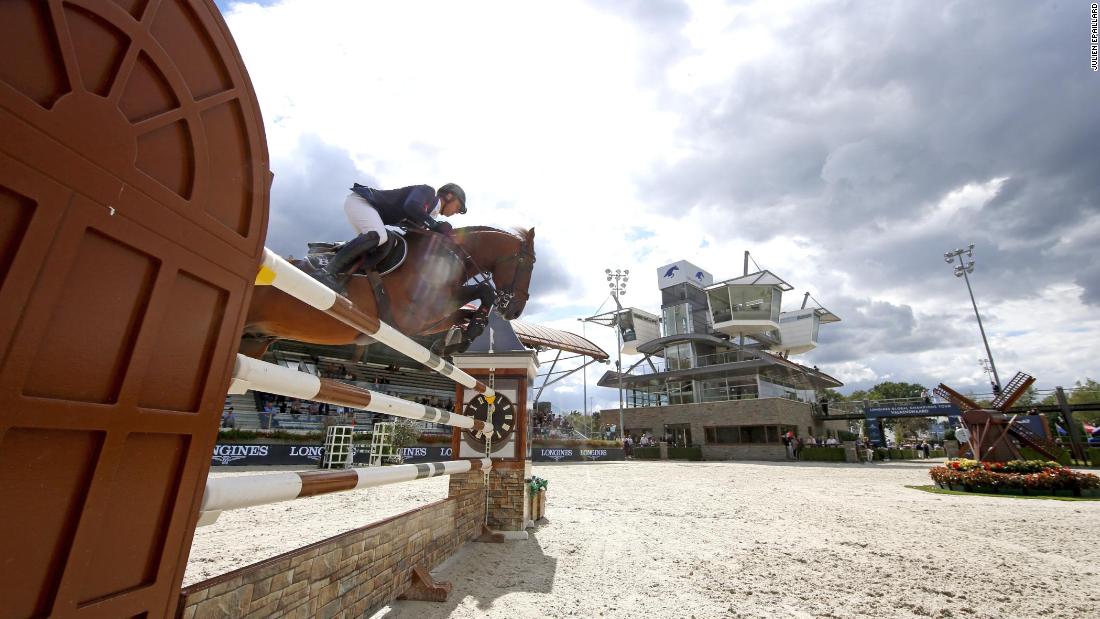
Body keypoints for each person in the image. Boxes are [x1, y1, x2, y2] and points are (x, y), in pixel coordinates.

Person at [313, 182, 468, 290]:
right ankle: (326, 272)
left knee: (383, 245)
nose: (456, 212)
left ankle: (335, 261)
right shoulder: (427, 191)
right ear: (449, 196)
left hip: (369, 210)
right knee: (379, 236)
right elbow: (411, 206)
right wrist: (434, 225)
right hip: (362, 202)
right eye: (458, 206)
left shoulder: (428, 214)